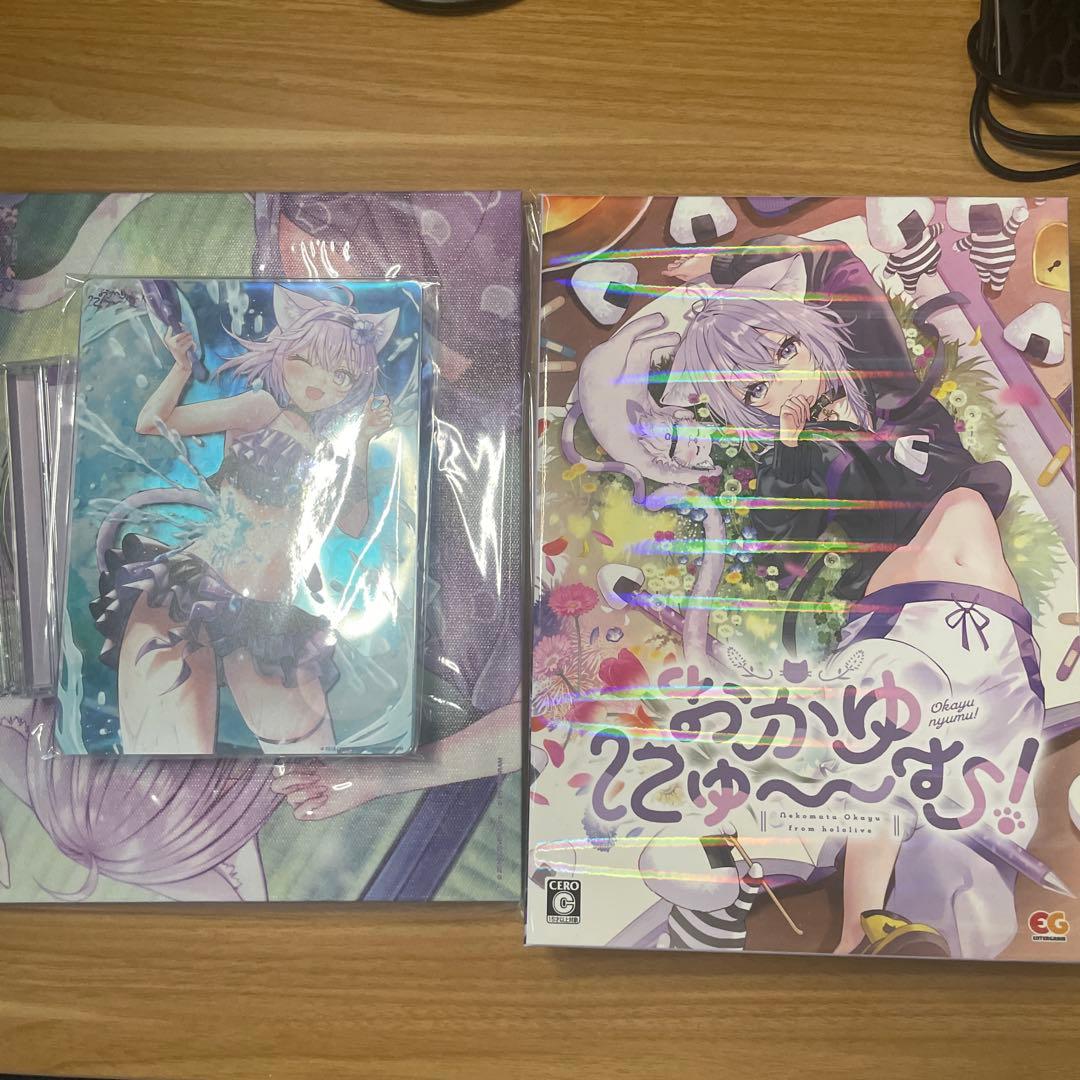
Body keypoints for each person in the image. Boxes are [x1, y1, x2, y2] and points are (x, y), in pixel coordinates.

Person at [92, 284, 398, 754]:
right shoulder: (261, 408)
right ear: (283, 353)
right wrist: (180, 368)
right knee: (170, 753)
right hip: (194, 590)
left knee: (312, 758)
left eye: (341, 374)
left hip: (267, 618)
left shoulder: (331, 448)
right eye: (305, 359)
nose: (319, 381)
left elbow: (353, 523)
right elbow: (151, 422)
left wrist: (361, 442)